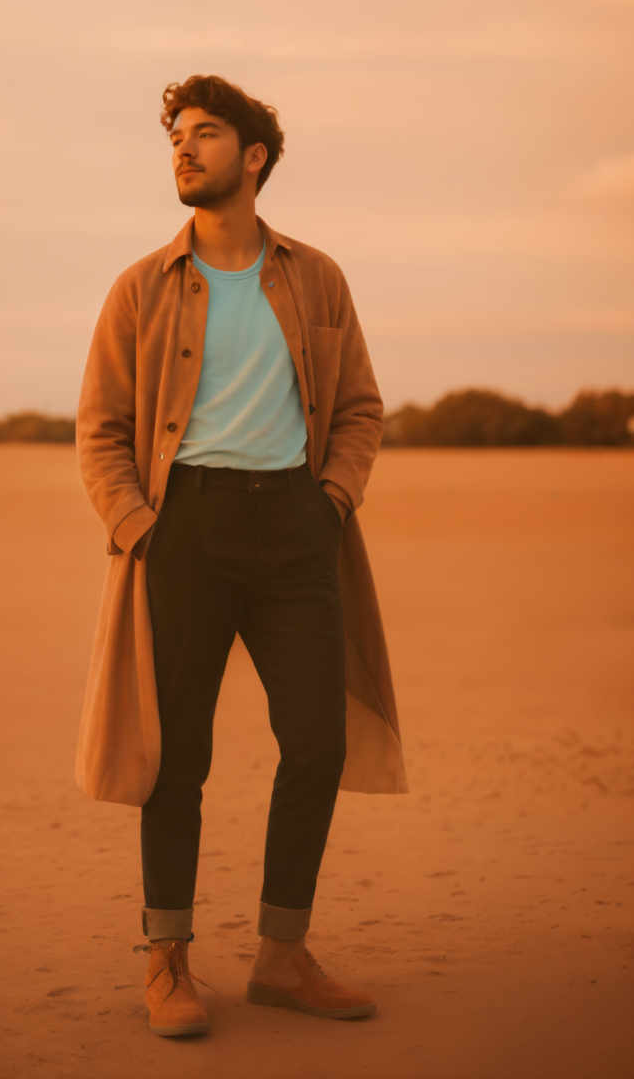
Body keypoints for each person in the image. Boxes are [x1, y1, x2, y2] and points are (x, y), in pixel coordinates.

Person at [75, 73, 407, 1039]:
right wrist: (141, 527)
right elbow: (100, 429)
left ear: (253, 157)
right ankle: (168, 960)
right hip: (184, 531)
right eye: (175, 135)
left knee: (317, 741)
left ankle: (281, 953)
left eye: (205, 133)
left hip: (296, 533)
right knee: (175, 756)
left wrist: (332, 496)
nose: (183, 148)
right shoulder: (142, 286)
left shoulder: (315, 277)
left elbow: (359, 408)